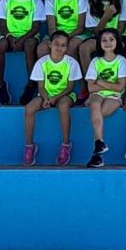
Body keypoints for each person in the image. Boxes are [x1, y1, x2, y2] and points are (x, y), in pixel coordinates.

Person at [22, 31, 82, 167]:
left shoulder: (71, 63)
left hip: (65, 95)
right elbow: (41, 86)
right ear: (49, 44)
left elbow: (70, 87)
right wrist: (46, 98)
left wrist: (55, 98)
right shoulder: (42, 62)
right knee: (29, 108)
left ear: (66, 48)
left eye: (63, 45)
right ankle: (29, 146)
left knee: (63, 106)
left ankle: (66, 145)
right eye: (56, 44)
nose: (59, 48)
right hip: (45, 95)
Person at [0, 0, 44, 106]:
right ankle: (0, 84)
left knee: (29, 45)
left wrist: (22, 39)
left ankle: (31, 84)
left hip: (29, 36)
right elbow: (2, 24)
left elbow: (35, 27)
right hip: (9, 35)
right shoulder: (6, 0)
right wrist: (9, 37)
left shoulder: (36, 1)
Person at [83, 27, 126, 168]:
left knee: (96, 114)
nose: (107, 42)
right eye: (104, 40)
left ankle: (97, 154)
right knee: (95, 104)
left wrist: (101, 82)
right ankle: (99, 144)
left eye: (111, 39)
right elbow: (90, 87)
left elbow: (120, 87)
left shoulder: (121, 61)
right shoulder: (96, 61)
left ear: (117, 42)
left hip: (115, 97)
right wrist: (109, 85)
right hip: (97, 94)